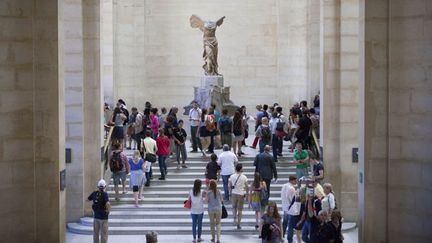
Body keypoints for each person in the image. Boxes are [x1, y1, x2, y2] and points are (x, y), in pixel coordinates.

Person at [229, 163, 249, 229]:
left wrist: (230, 193)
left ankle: (234, 218)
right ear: (240, 169)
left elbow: (229, 185)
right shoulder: (244, 177)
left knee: (234, 207)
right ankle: (239, 224)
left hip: (234, 193)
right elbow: (247, 186)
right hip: (241, 194)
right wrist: (247, 194)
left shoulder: (232, 176)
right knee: (240, 210)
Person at [281, 176, 298, 243]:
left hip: (285, 207)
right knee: (290, 225)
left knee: (284, 223)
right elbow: (292, 199)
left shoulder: (284, 185)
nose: (296, 182)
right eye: (295, 180)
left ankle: (282, 236)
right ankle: (289, 240)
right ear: (292, 180)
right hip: (290, 208)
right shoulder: (291, 188)